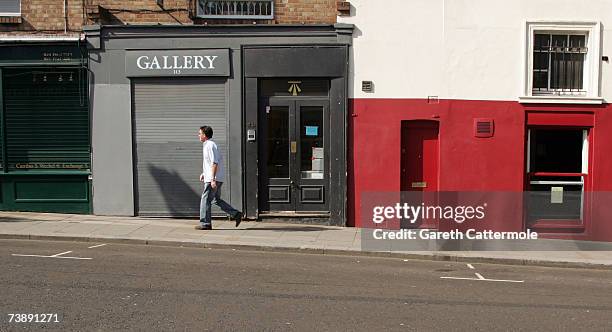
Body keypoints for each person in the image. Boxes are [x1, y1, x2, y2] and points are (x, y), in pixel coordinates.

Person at [195, 125, 242, 230]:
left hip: (213, 179)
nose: (198, 135)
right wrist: (204, 173)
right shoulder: (208, 145)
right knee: (216, 200)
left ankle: (205, 223)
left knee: (205, 199)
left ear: (205, 135)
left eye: (200, 133)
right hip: (214, 177)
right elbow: (209, 163)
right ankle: (236, 214)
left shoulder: (210, 145)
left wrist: (212, 179)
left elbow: (214, 163)